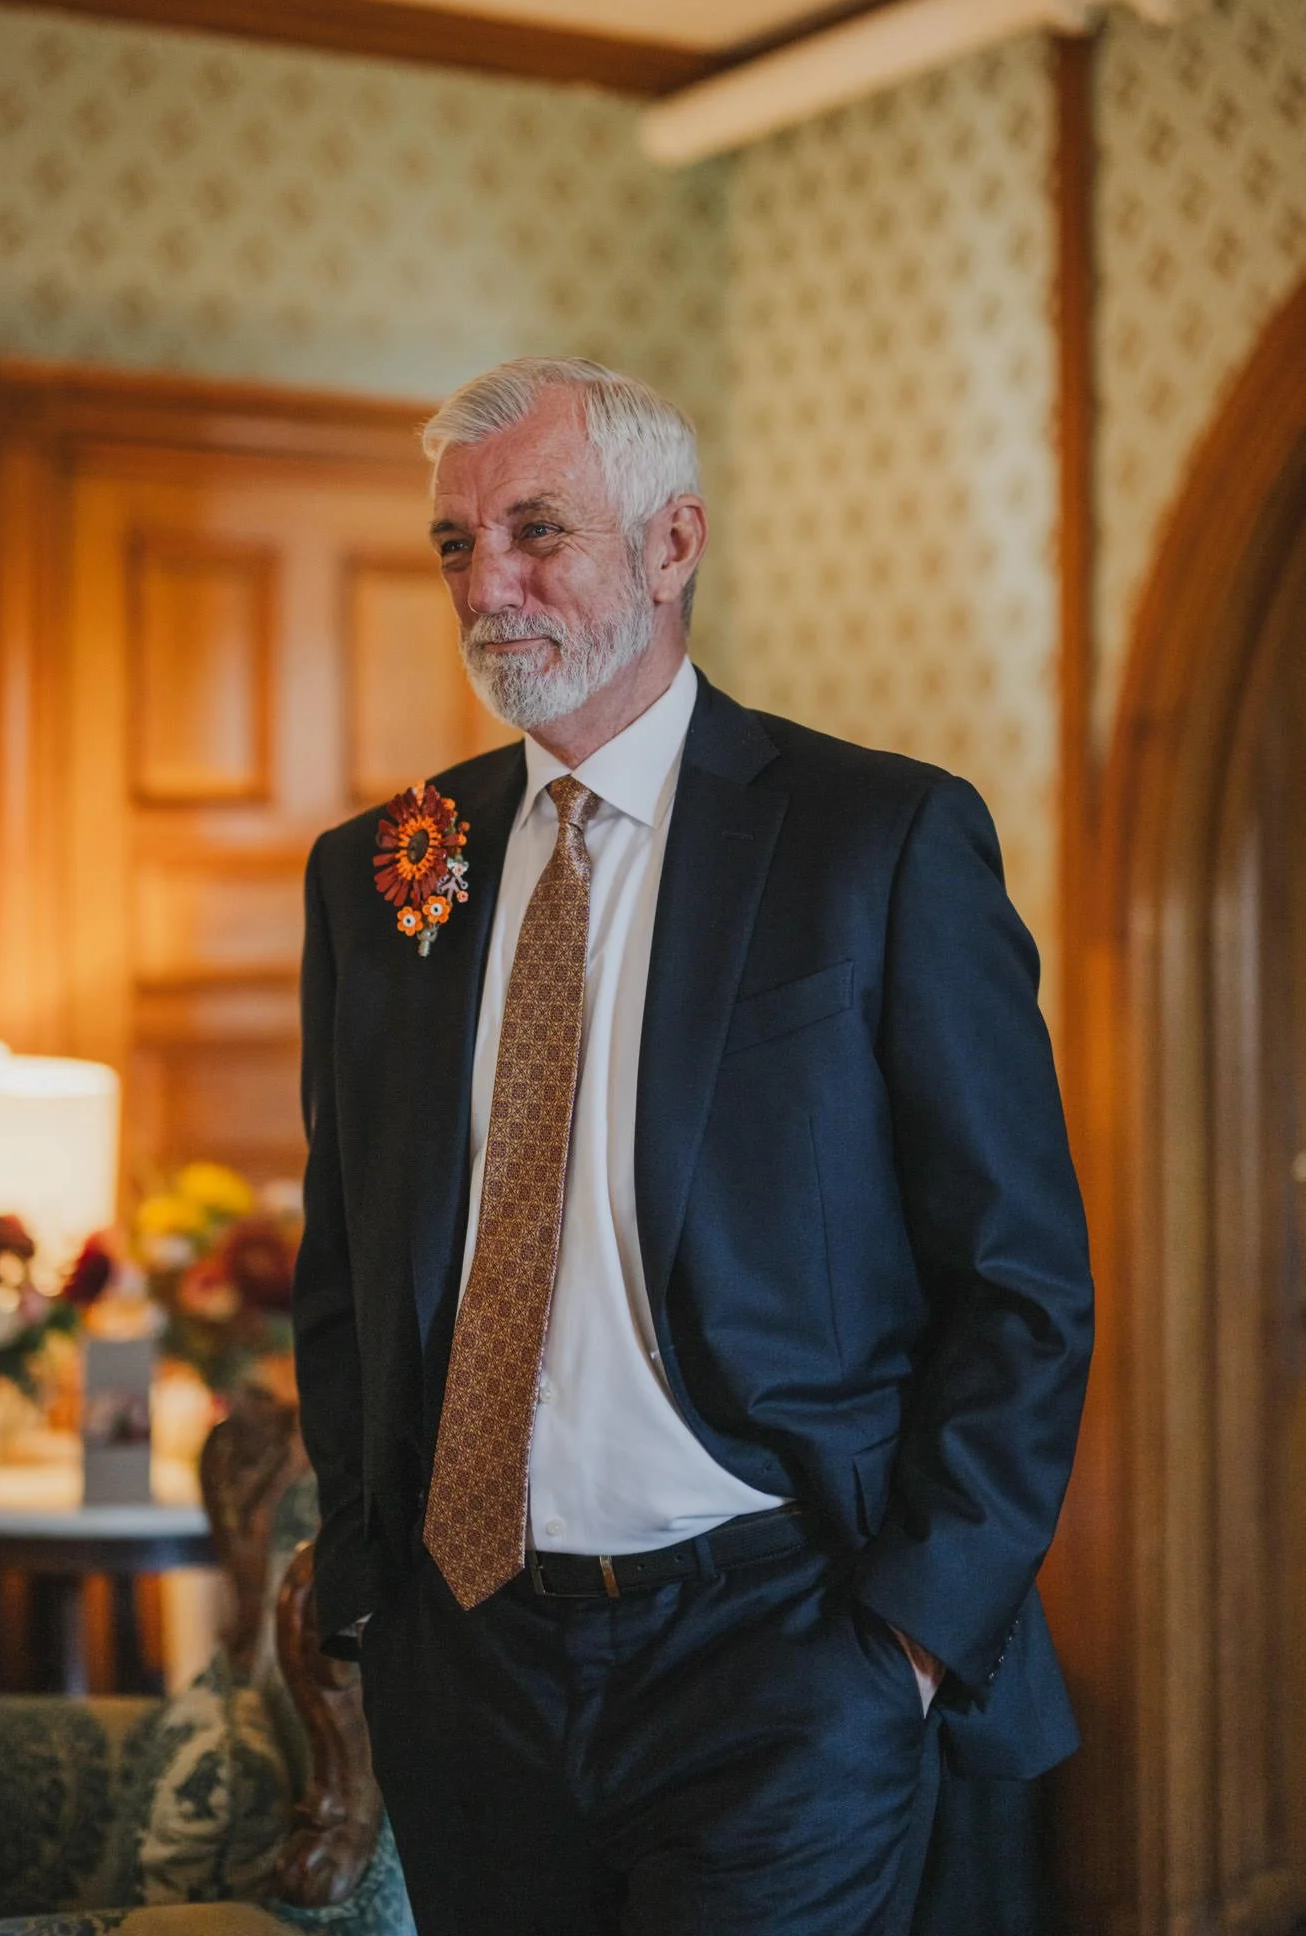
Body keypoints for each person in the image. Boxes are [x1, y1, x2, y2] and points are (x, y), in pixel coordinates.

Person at [293, 357, 1093, 1936]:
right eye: (456, 543)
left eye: (536, 531)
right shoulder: (378, 873)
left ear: (672, 544)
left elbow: (1018, 1283)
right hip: (467, 1672)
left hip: (780, 1654)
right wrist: (376, 1591)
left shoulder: (877, 840)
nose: (486, 585)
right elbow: (346, 1267)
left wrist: (907, 1642)